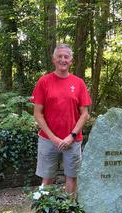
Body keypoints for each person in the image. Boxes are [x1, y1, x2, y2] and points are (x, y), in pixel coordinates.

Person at [31, 44, 91, 196]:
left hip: (73, 140)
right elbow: (38, 114)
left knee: (71, 177)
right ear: (54, 59)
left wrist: (71, 136)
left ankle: (69, 210)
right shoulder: (44, 82)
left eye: (66, 57)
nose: (63, 60)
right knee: (47, 179)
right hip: (47, 140)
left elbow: (84, 114)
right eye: (59, 56)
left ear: (71, 60)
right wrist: (53, 138)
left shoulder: (79, 83)